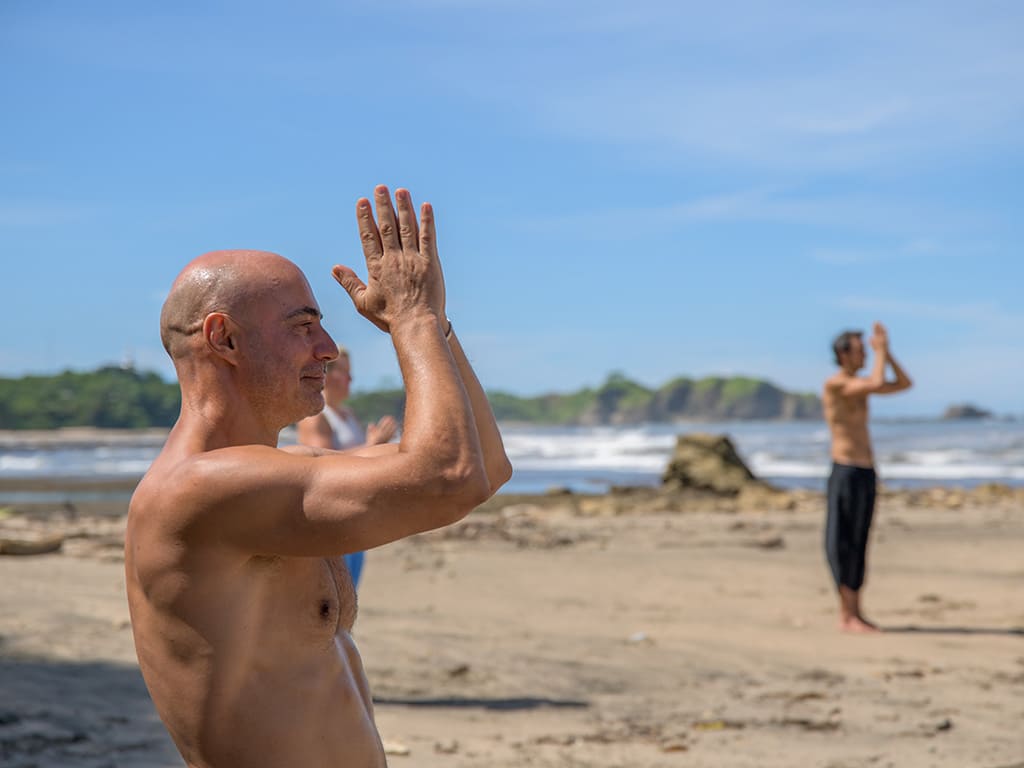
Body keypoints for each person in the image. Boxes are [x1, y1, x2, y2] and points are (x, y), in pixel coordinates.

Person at [125, 185, 512, 768]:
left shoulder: (278, 475)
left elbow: (483, 465)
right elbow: (449, 475)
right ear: (224, 338)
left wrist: (435, 322)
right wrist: (412, 322)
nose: (329, 349)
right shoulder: (197, 490)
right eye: (304, 326)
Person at [822, 322, 912, 633]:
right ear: (843, 354)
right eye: (860, 350)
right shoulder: (836, 384)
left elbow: (904, 383)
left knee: (860, 540)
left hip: (865, 470)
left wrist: (887, 354)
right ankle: (846, 614)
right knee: (841, 541)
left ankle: (856, 613)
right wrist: (881, 351)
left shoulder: (861, 384)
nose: (864, 355)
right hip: (844, 469)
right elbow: (875, 382)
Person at [296, 346, 397, 588]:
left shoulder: (348, 414)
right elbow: (320, 464)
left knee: (350, 592)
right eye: (345, 372)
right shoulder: (315, 416)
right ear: (327, 374)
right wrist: (372, 445)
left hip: (355, 516)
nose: (351, 379)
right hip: (328, 519)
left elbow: (361, 457)